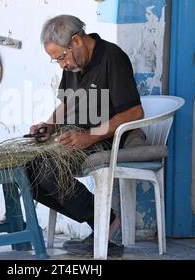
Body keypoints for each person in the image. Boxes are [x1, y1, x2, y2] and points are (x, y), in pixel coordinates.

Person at [26, 15, 145, 256]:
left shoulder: (113, 58)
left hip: (106, 139)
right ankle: (100, 220)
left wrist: (90, 136)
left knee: (48, 171)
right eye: (56, 60)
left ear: (76, 41)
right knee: (27, 169)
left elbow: (135, 112)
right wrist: (49, 125)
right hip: (76, 135)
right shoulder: (73, 65)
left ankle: (105, 220)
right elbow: (68, 103)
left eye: (61, 57)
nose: (61, 65)